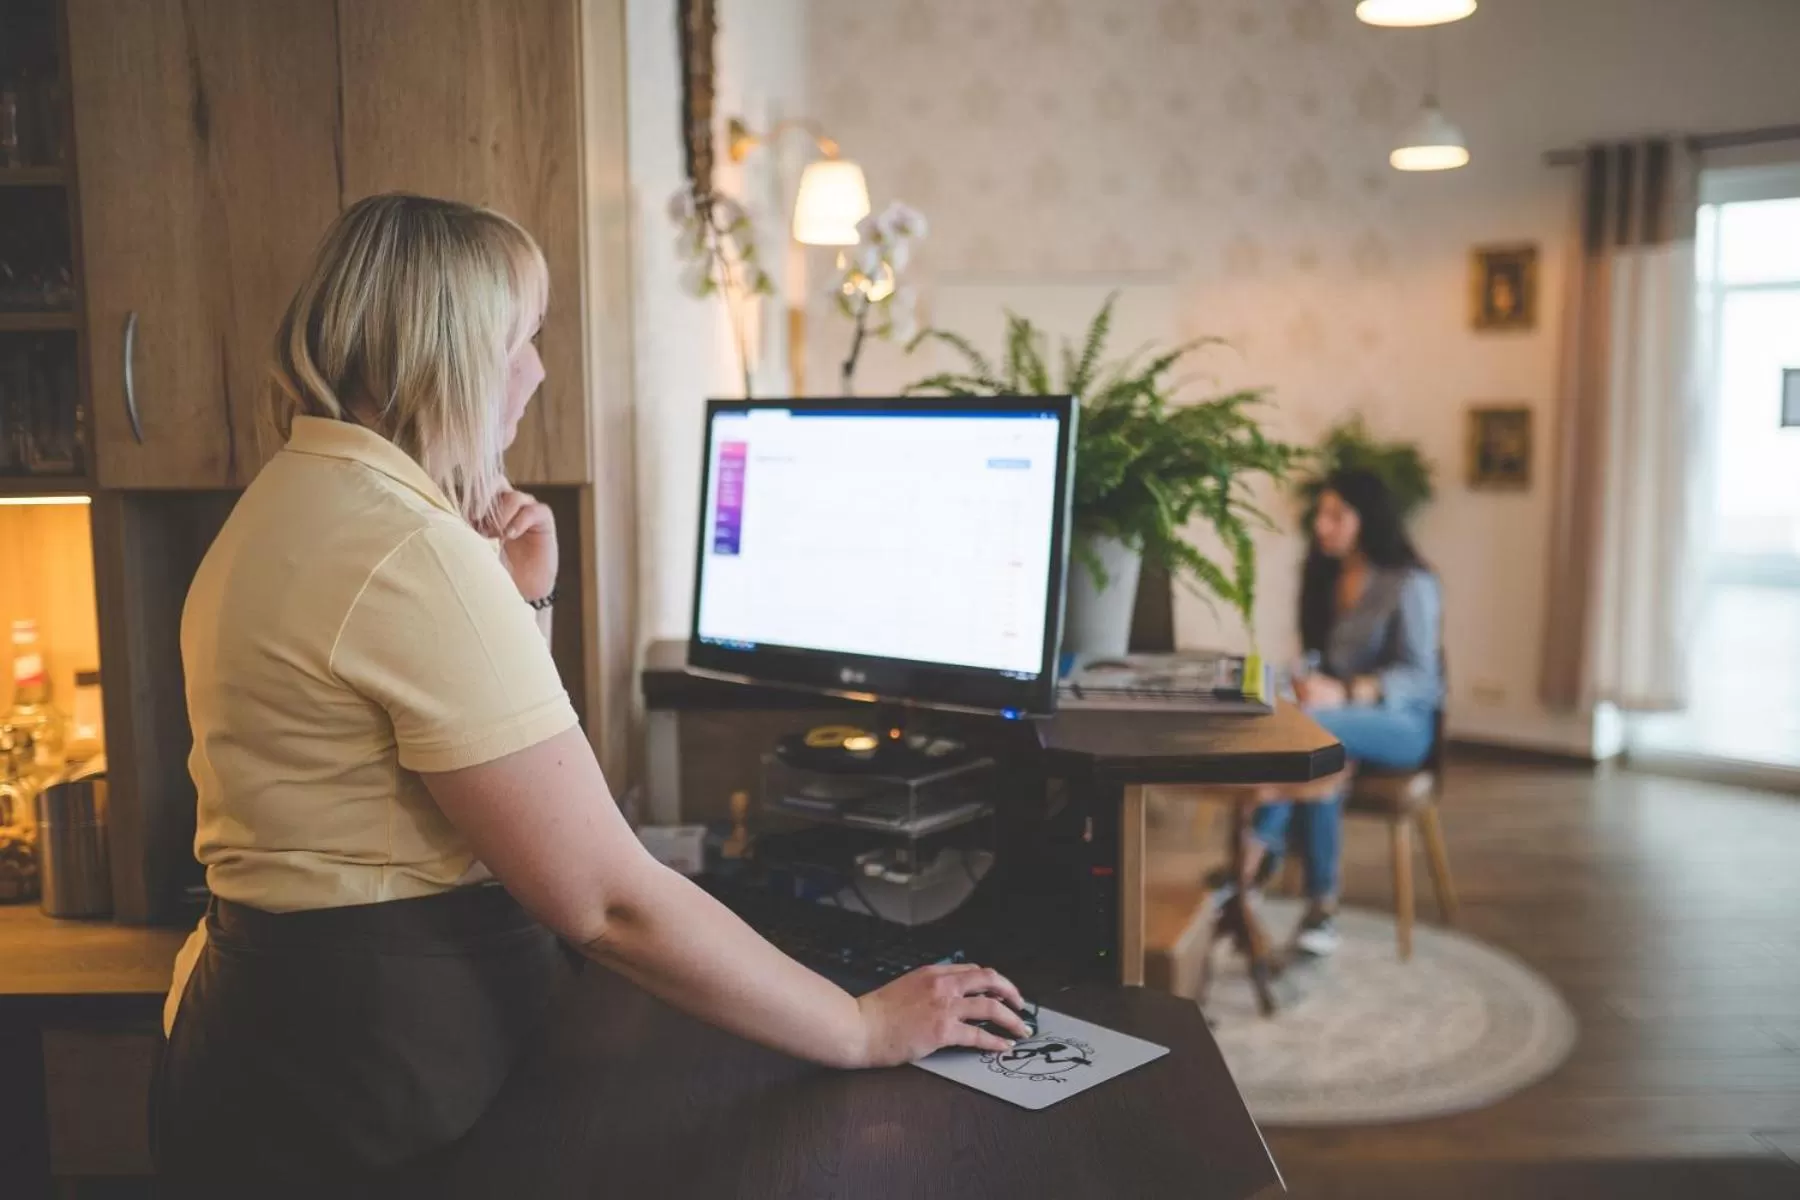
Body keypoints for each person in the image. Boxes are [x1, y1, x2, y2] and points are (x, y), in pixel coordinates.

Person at [152, 194, 1031, 1195]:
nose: (535, 370)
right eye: (525, 337)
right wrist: (860, 1024)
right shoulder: (405, 549)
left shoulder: (290, 503)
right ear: (456, 349)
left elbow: (465, 771)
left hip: (266, 1045)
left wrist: (525, 594)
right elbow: (607, 900)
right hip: (367, 1079)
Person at [1209, 468, 1443, 957]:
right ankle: (1320, 905)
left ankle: (1251, 862)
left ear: (1368, 518)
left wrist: (1348, 691)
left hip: (1403, 724)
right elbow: (1323, 660)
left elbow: (1423, 679)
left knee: (1309, 735)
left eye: (1337, 514)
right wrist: (1304, 678)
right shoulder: (1328, 576)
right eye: (1321, 513)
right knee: (1314, 748)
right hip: (1338, 724)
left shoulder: (1410, 582)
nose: (1322, 524)